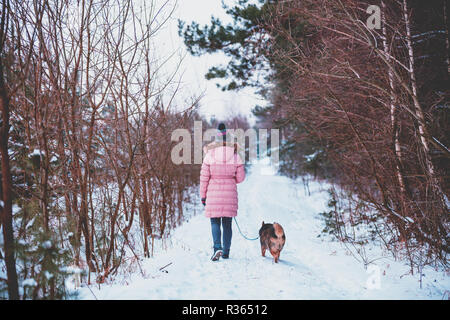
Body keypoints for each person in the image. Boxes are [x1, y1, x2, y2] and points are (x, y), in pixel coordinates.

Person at [200, 123, 246, 261]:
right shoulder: (236, 156)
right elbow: (241, 178)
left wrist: (203, 196)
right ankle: (226, 252)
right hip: (229, 193)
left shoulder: (209, 155)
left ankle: (217, 247)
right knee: (227, 224)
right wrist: (231, 179)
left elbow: (204, 178)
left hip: (213, 193)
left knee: (215, 222)